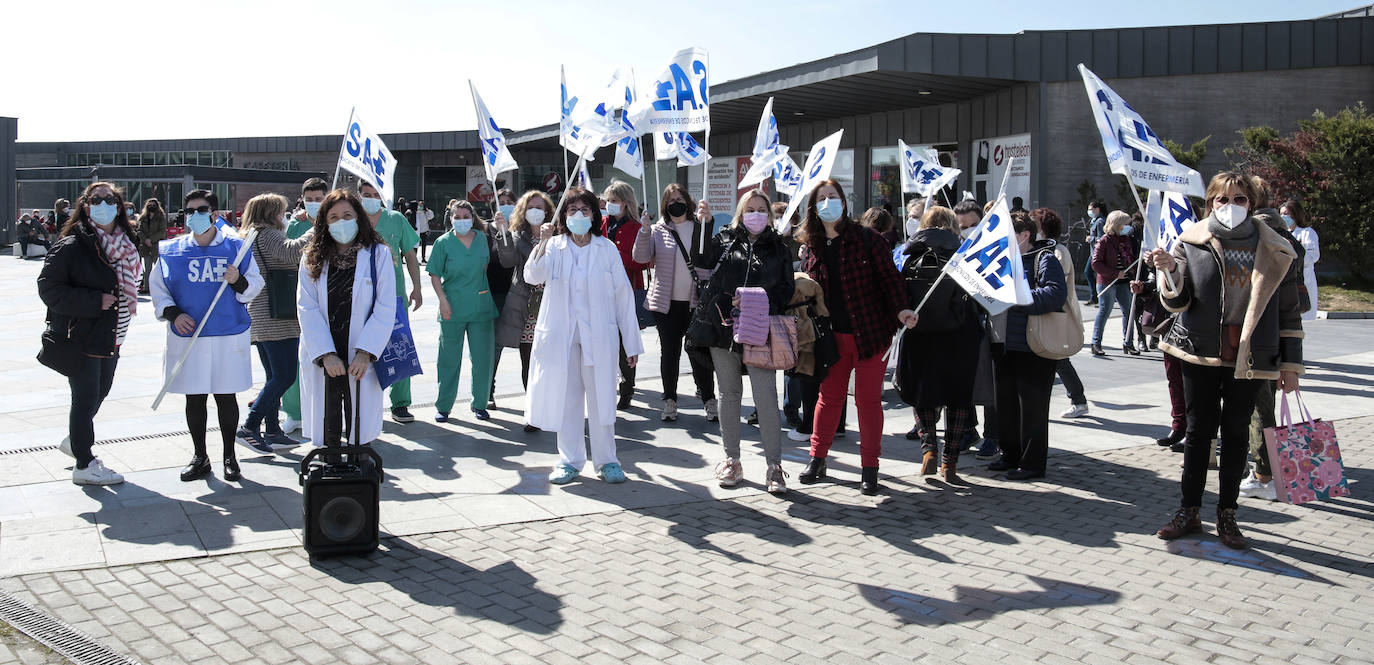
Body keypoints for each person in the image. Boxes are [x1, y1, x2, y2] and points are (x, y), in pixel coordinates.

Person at [1151, 172, 1304, 549]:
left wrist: (1291, 366)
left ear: (1251, 203)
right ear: (1210, 203)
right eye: (1223, 199)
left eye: (1239, 199)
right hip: (1199, 351)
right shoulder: (1192, 241)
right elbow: (1179, 303)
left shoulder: (1276, 247)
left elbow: (1290, 313)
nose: (1231, 206)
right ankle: (1189, 510)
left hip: (1251, 355)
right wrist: (1170, 270)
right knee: (1199, 434)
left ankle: (1228, 514)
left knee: (1236, 435)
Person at [524, 187, 643, 485]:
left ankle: (607, 460)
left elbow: (623, 297)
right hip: (562, 336)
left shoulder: (607, 249)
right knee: (568, 399)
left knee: (602, 399)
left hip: (599, 337)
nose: (578, 215)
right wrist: (542, 241)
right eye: (572, 210)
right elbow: (532, 276)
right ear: (564, 215)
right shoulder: (554, 246)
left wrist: (631, 341)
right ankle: (569, 459)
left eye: (585, 210)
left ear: (594, 214)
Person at [796, 179, 907, 495]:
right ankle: (817, 459)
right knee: (828, 400)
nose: (828, 202)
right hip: (832, 339)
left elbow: (891, 280)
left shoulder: (868, 239)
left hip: (871, 335)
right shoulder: (813, 246)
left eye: (833, 196)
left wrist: (902, 311)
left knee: (868, 402)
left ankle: (870, 468)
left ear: (844, 203)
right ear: (814, 208)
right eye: (821, 198)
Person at [151, 189, 264, 481]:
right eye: (189, 211)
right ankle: (200, 456)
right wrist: (174, 313)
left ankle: (229, 455)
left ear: (214, 214)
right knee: (195, 398)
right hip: (190, 336)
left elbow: (255, 284)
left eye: (201, 210)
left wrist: (237, 281)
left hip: (227, 333)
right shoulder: (172, 250)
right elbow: (158, 288)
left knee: (226, 397)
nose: (194, 216)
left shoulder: (236, 247)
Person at [691, 189, 795, 494]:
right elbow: (701, 259)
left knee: (766, 397)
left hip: (761, 329)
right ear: (740, 211)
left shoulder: (779, 247)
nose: (756, 214)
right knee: (729, 394)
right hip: (723, 329)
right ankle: (732, 460)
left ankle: (774, 466)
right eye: (750, 209)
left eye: (761, 209)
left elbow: (786, 290)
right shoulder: (725, 239)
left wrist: (755, 299)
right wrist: (704, 224)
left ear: (769, 214)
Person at [38, 182, 140, 485]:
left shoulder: (125, 241)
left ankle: (75, 440)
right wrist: (94, 301)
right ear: (85, 206)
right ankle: (84, 463)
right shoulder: (72, 245)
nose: (104, 204)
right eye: (96, 200)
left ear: (120, 206)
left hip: (113, 331)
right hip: (82, 332)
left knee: (101, 391)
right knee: (84, 397)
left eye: (111, 199)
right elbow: (48, 287)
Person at [298, 189, 397, 450]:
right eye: (333, 217)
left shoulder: (378, 255)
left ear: (359, 217)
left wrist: (366, 352)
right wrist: (325, 354)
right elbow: (306, 308)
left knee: (360, 426)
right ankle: (328, 462)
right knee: (325, 420)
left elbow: (385, 306)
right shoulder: (311, 257)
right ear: (324, 222)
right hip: (325, 350)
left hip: (360, 351)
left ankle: (359, 461)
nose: (341, 222)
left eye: (347, 215)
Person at [894, 205, 982, 483]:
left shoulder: (907, 254)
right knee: (958, 398)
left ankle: (929, 449)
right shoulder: (964, 253)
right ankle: (950, 461)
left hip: (918, 331)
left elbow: (897, 291)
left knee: (922, 394)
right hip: (960, 334)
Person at [985, 213, 1068, 481]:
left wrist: (1018, 296)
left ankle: (1032, 463)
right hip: (1002, 343)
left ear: (1024, 236)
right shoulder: (1001, 260)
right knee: (1005, 405)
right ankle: (1009, 454)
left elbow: (1055, 295)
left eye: (1008, 235)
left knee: (1031, 407)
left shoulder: (1045, 259)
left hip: (1032, 345)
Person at [632, 183, 717, 423]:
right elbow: (640, 257)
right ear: (664, 206)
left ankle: (709, 400)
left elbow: (709, 258)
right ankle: (669, 400)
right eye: (670, 201)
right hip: (666, 304)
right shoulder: (659, 230)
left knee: (698, 353)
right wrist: (644, 230)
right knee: (669, 353)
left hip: (695, 303)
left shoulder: (699, 226)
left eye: (679, 198)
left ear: (688, 202)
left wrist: (708, 223)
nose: (675, 204)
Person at [236, 193, 311, 453]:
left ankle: (273, 430)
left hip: (260, 313)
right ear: (270, 214)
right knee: (285, 375)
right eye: (280, 212)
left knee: (272, 376)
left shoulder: (249, 236)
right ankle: (250, 425)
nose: (284, 217)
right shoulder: (266, 234)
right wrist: (317, 229)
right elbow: (291, 253)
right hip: (276, 316)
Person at [427, 200, 499, 422]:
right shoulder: (443, 243)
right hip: (452, 307)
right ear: (450, 219)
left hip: (480, 307)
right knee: (448, 358)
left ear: (473, 217)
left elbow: (485, 269)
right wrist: (442, 300)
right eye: (456, 217)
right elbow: (435, 275)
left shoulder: (482, 240)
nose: (461, 220)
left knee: (482, 359)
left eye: (465, 216)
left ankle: (479, 403)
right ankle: (444, 405)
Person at [358, 181, 423, 424]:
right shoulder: (351, 219)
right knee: (361, 348)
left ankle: (401, 403)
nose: (371, 199)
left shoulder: (395, 219)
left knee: (399, 348)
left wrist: (417, 286)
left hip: (393, 295)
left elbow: (410, 254)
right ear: (359, 196)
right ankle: (364, 404)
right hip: (360, 298)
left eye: (376, 195)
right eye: (366, 195)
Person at [494, 190, 554, 430]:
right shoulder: (517, 235)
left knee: (552, 359)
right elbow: (507, 261)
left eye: (540, 207)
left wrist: (549, 239)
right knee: (528, 359)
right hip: (527, 306)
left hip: (553, 303)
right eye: (531, 207)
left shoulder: (558, 234)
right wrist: (502, 231)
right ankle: (533, 411)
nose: (536, 211)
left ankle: (552, 404)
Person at [1032, 208, 1091, 419]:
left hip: (1055, 314)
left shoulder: (1057, 251)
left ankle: (1078, 399)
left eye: (1035, 225)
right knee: (1057, 359)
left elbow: (1057, 286)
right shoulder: (1044, 249)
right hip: (1049, 314)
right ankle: (1078, 399)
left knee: (1058, 358)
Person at [601, 181, 651, 409]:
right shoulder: (601, 224)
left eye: (614, 201)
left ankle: (627, 388)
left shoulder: (635, 227)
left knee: (625, 340)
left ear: (625, 202)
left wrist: (615, 256)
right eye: (608, 200)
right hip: (601, 290)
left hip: (627, 288)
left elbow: (641, 262)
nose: (610, 205)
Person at [485, 189, 518, 408]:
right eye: (501, 202)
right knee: (494, 346)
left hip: (517, 294)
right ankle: (488, 390)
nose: (505, 205)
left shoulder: (521, 230)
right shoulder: (485, 229)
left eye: (509, 202)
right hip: (493, 294)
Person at [1089, 210, 1138, 356]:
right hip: (1107, 281)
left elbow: (1129, 257)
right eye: (1125, 224)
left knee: (1129, 311)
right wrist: (1115, 273)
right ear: (1117, 225)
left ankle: (1128, 343)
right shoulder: (1104, 240)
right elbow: (1095, 263)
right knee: (1105, 311)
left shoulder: (1126, 239)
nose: (1128, 227)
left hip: (1123, 281)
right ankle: (1095, 343)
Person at [1282, 199, 1320, 320]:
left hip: (1304, 279)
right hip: (1286, 281)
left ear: (1295, 214)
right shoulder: (1282, 234)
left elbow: (1313, 256)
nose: (1283, 217)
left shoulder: (1307, 233)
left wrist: (1295, 256)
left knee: (1304, 318)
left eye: (1286, 214)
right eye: (1281, 214)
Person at [134, 198, 166, 292]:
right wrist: (145, 240)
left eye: (153, 205)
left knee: (157, 270)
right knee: (147, 269)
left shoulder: (161, 217)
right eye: (149, 205)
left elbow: (162, 232)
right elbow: (139, 231)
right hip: (145, 247)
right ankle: (147, 287)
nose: (151, 207)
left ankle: (159, 288)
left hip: (156, 246)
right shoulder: (143, 217)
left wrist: (151, 240)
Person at [1083, 200, 1106, 305]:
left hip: (1096, 252)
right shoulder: (1095, 221)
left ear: (1097, 209)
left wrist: (1090, 238)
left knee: (1089, 272)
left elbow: (1102, 238)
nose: (1089, 211)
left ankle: (1096, 296)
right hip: (1093, 252)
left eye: (1091, 209)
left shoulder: (1100, 221)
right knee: (1090, 273)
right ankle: (1095, 296)